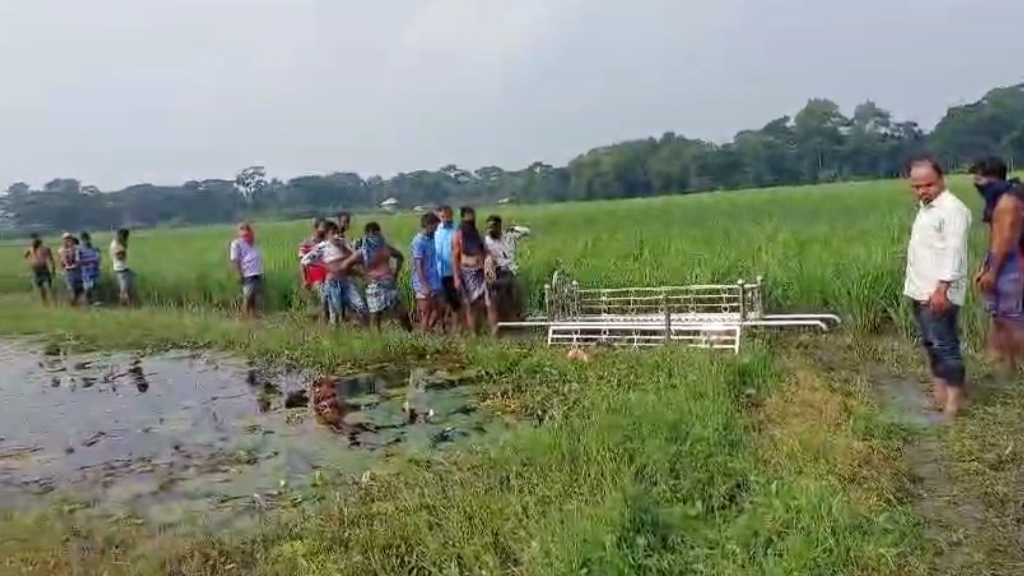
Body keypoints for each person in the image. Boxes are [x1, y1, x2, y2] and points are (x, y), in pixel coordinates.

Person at [904, 156, 972, 418]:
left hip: (940, 292)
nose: (922, 191)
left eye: (928, 185)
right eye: (917, 186)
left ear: (941, 180)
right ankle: (940, 393)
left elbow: (954, 252)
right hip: (920, 289)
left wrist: (942, 288)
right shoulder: (927, 208)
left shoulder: (952, 210)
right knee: (931, 344)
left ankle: (954, 403)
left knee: (945, 345)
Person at [970, 156, 1024, 374]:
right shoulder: (997, 199)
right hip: (1004, 261)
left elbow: (1005, 240)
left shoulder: (1008, 202)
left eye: (980, 180)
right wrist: (986, 265)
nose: (977, 186)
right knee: (1000, 315)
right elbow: (994, 239)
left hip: (1014, 263)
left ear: (992, 178)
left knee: (1013, 317)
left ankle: (1016, 366)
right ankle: (1007, 364)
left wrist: (992, 272)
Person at [340, 221, 412, 332]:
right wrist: (362, 275)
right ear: (367, 234)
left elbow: (399, 256)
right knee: (375, 315)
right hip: (374, 284)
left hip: (388, 283)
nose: (375, 235)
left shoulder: (384, 247)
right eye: (372, 233)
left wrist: (395, 273)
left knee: (401, 312)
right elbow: (345, 266)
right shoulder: (363, 252)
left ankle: (409, 334)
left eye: (377, 232)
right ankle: (377, 341)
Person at [301, 220, 368, 327]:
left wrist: (346, 248)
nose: (336, 236)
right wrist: (323, 265)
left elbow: (355, 257)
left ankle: (368, 331)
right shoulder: (322, 247)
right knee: (336, 314)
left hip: (345, 282)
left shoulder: (343, 244)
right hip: (332, 283)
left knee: (360, 306)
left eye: (337, 233)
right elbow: (305, 260)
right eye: (333, 233)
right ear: (327, 235)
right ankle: (334, 336)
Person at [484, 215, 531, 328]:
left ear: (499, 226)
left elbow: (527, 231)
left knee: (516, 294)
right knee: (498, 297)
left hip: (511, 269)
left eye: (494, 226)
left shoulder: (509, 236)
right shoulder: (487, 241)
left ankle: (517, 321)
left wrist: (514, 228)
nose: (491, 229)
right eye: (489, 227)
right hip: (497, 271)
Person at [452, 206, 489, 334]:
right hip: (467, 272)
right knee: (471, 304)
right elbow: (456, 256)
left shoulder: (476, 233)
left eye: (472, 215)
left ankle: (483, 329)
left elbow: (483, 250)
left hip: (480, 271)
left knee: (484, 302)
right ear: (462, 217)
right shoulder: (459, 234)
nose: (471, 218)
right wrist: (456, 277)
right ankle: (473, 332)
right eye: (468, 215)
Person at [410, 212, 443, 332]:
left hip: (436, 280)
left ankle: (429, 330)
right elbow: (418, 265)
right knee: (426, 312)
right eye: (435, 226)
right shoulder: (418, 242)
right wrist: (424, 285)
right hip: (423, 282)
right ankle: (423, 336)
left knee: (439, 308)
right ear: (428, 225)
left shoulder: (435, 239)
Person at [229, 222, 264, 319]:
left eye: (249, 232)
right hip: (247, 273)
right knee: (247, 296)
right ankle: (244, 316)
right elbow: (235, 260)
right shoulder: (236, 244)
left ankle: (253, 315)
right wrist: (238, 274)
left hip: (257, 272)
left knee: (254, 296)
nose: (247, 235)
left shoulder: (253, 243)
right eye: (244, 232)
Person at [433, 206, 460, 330]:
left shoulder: (457, 230)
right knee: (439, 302)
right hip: (436, 272)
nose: (445, 219)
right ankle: (441, 327)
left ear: (452, 215)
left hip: (452, 272)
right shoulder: (436, 231)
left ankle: (455, 328)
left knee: (455, 302)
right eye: (442, 216)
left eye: (447, 216)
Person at [299, 217, 330, 322]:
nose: (325, 230)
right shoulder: (307, 243)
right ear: (316, 228)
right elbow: (302, 263)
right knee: (324, 298)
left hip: (328, 275)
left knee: (328, 300)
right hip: (315, 276)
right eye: (323, 227)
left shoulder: (328, 243)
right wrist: (305, 280)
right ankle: (324, 321)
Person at [24, 233, 55, 305]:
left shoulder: (45, 248)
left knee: (48, 285)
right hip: (35, 269)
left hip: (43, 267)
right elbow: (25, 255)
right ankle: (45, 301)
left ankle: (53, 299)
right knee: (40, 286)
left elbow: (51, 258)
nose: (33, 240)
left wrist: (53, 268)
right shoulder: (30, 249)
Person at [110, 228, 138, 306]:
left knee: (131, 288)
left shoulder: (120, 243)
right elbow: (120, 256)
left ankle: (131, 303)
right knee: (124, 290)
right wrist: (124, 251)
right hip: (120, 270)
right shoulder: (116, 244)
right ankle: (124, 305)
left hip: (125, 268)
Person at [58, 232, 84, 307]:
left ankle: (74, 302)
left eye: (69, 238)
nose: (67, 240)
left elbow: (79, 259)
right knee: (71, 288)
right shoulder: (61, 250)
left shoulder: (77, 248)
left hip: (77, 270)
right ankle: (72, 303)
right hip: (69, 271)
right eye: (66, 239)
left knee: (79, 288)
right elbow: (61, 261)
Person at [78, 231, 102, 305]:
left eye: (86, 239)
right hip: (85, 272)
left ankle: (95, 301)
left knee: (95, 286)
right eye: (83, 240)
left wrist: (96, 264)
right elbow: (78, 260)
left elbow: (98, 258)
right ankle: (88, 302)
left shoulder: (95, 249)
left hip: (94, 271)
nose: (85, 241)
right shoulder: (79, 250)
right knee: (87, 288)